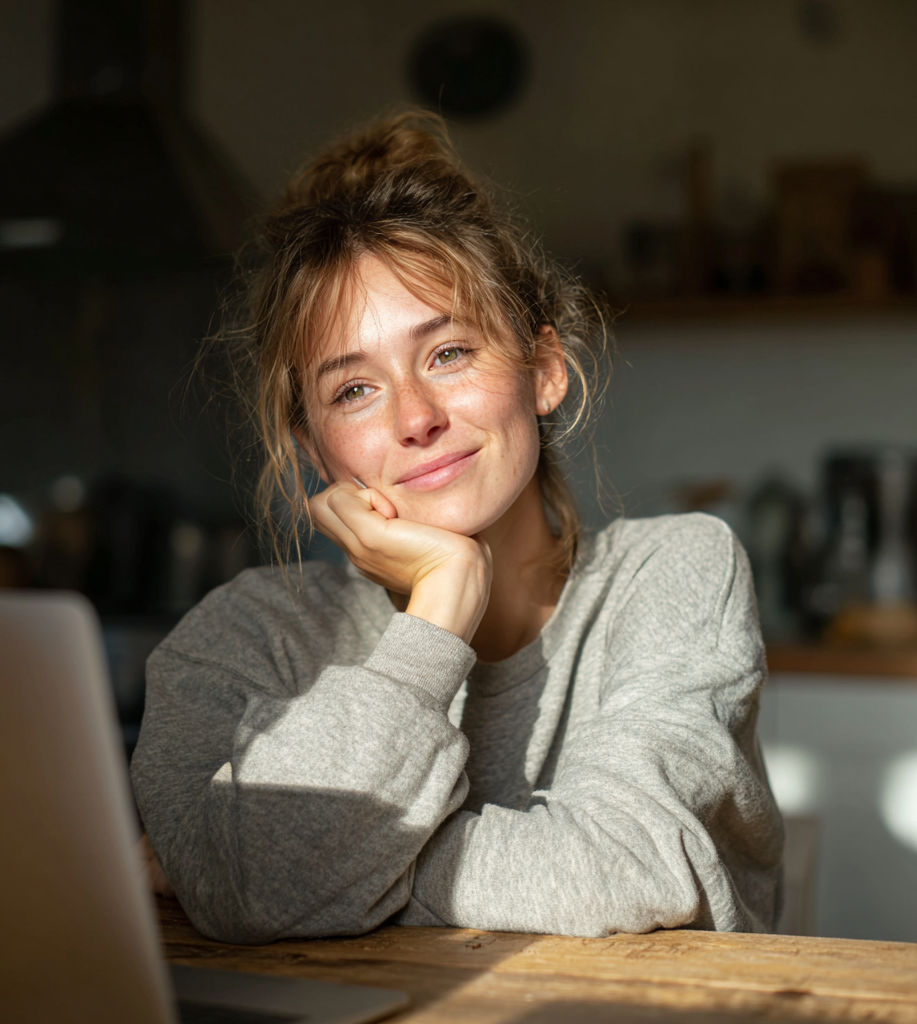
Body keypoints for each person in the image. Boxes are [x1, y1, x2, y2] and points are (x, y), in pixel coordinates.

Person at [131, 111, 783, 943]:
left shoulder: (675, 571)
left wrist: (286, 875)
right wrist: (437, 611)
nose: (415, 417)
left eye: (448, 354)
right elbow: (249, 883)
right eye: (353, 390)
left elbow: (626, 869)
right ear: (311, 446)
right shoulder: (244, 636)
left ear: (544, 370)